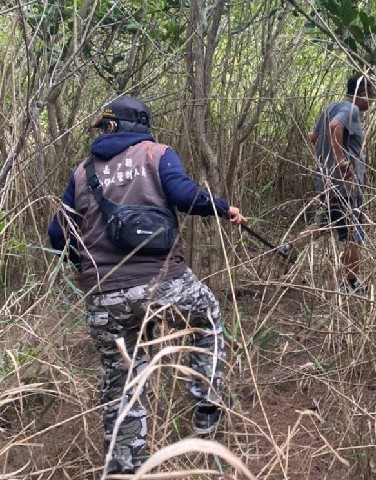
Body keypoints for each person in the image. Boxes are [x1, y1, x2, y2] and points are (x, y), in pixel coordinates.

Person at [48, 95, 246, 475]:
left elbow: (59, 235)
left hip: (104, 297)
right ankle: (207, 405)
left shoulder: (81, 173)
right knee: (207, 317)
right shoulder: (157, 154)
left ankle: (124, 467)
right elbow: (185, 196)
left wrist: (85, 268)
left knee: (122, 381)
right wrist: (223, 207)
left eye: (105, 126)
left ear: (112, 127)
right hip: (163, 284)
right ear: (142, 124)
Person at [278, 76, 375, 292]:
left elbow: (314, 137)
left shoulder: (329, 107)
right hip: (344, 186)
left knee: (326, 223)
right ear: (363, 94)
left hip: (326, 181)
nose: (371, 103)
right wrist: (341, 159)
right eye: (372, 98)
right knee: (353, 233)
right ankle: (349, 283)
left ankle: (289, 247)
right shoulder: (351, 110)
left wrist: (329, 157)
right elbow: (334, 126)